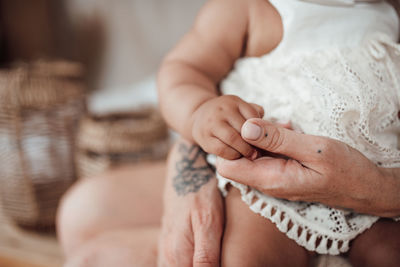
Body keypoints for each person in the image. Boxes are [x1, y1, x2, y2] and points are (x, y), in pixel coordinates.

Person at [57, 0, 400, 266]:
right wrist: (199, 113)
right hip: (263, 187)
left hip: (371, 196)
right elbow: (184, 68)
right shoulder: (250, 9)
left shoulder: (386, 18)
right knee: (244, 256)